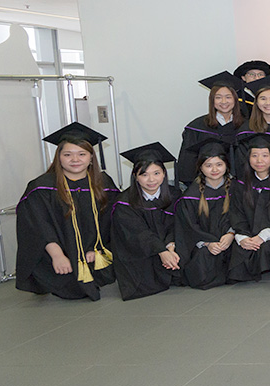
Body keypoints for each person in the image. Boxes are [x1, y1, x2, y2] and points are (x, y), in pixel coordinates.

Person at [16, 122, 118, 301]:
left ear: (91, 157)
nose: (75, 159)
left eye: (82, 154)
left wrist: (98, 248)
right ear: (59, 157)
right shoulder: (41, 188)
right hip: (56, 258)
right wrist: (57, 255)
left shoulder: (104, 184)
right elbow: (37, 226)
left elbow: (112, 221)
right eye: (68, 154)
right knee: (72, 291)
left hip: (94, 255)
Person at [111, 141, 182, 300]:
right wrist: (161, 251)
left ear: (164, 173)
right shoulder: (124, 202)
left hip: (170, 247)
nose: (151, 180)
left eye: (156, 173)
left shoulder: (175, 195)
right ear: (135, 176)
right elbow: (138, 234)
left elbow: (177, 225)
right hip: (141, 252)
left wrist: (170, 245)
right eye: (144, 174)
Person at [227, 134, 270, 282]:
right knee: (239, 258)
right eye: (254, 155)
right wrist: (242, 237)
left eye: (265, 155)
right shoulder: (240, 184)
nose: (259, 161)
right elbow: (236, 212)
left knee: (268, 248)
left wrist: (262, 236)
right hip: (248, 233)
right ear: (248, 158)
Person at [173, 138, 236, 290]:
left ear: (226, 165)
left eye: (219, 164)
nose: (214, 170)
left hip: (229, 240)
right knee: (202, 265)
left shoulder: (236, 189)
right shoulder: (191, 195)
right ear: (200, 168)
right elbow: (188, 227)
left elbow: (242, 217)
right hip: (203, 244)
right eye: (208, 165)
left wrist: (231, 234)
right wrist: (207, 243)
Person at [177, 70, 244, 186]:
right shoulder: (196, 128)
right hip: (205, 188)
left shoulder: (246, 127)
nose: (223, 101)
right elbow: (187, 164)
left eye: (228, 97)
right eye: (218, 97)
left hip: (239, 188)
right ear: (212, 100)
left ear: (235, 99)